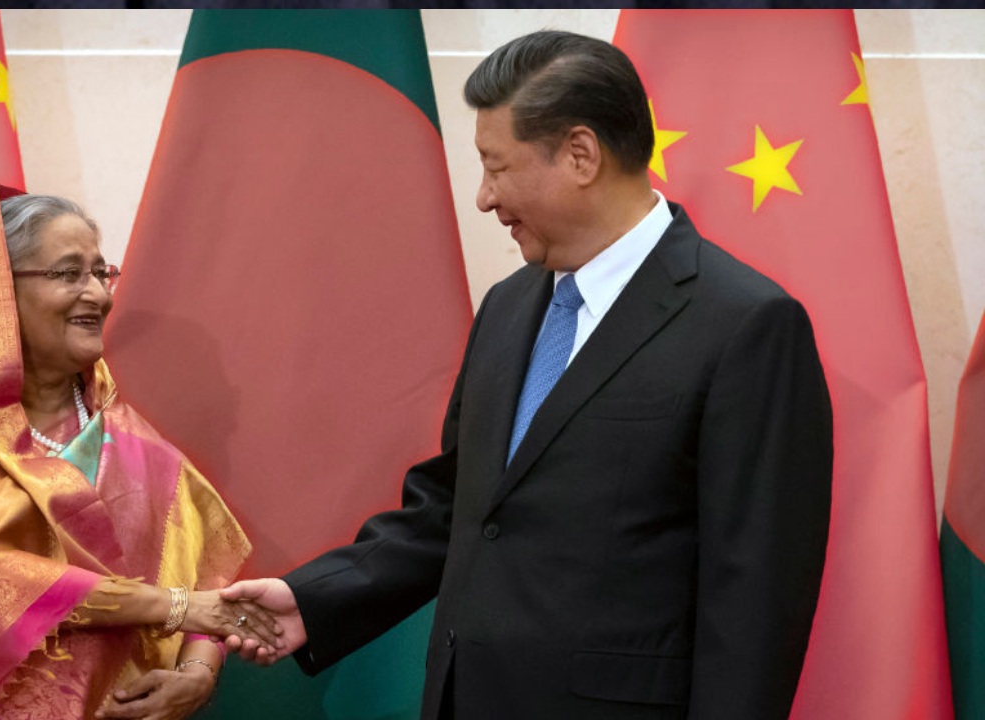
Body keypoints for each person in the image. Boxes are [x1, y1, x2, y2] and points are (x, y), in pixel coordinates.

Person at [221, 30, 832, 719]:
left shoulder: (746, 324)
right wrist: (314, 600)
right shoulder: (509, 306)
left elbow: (756, 602)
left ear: (580, 154)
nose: (484, 198)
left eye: (496, 167)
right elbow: (460, 506)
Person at [0, 188, 282, 720]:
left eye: (101, 273)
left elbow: (205, 587)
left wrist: (197, 675)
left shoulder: (132, 444)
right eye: (68, 274)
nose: (98, 295)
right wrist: (172, 607)